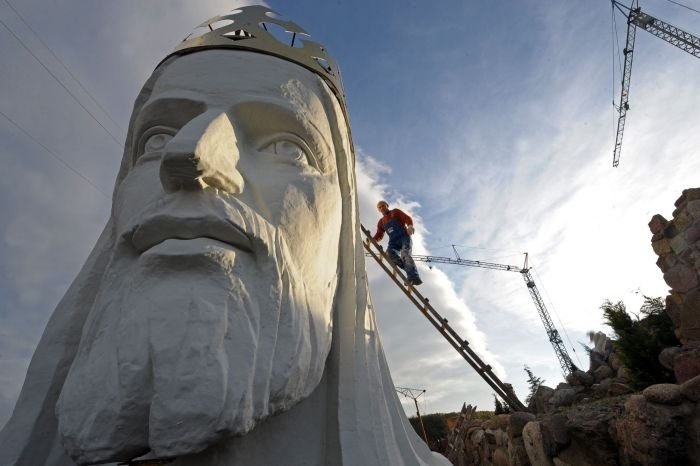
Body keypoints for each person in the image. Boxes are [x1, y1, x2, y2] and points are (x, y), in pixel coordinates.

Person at [0, 7, 448, 466]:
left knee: (402, 255)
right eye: (155, 139)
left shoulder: (393, 214)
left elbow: (398, 228)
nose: (187, 158)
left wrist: (397, 235)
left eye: (286, 147)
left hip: (397, 238)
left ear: (340, 217)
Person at [373, 200, 422, 285]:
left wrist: (410, 225)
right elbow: (379, 234)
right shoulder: (381, 222)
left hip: (404, 237)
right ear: (378, 210)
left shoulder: (395, 212)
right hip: (393, 241)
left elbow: (406, 217)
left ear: (387, 205)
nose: (382, 208)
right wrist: (372, 240)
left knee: (405, 254)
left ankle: (414, 278)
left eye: (383, 206)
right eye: (380, 207)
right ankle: (409, 271)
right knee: (388, 254)